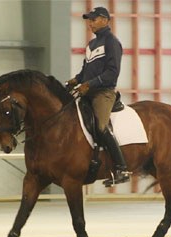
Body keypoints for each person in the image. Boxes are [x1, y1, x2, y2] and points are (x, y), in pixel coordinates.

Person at [66, 7, 130, 187]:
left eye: (93, 20)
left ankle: (121, 167)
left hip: (104, 93)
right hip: (87, 91)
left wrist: (89, 84)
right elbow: (85, 72)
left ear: (104, 20)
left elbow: (112, 72)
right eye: (88, 20)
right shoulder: (91, 45)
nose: (89, 23)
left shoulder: (112, 42)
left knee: (101, 127)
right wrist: (74, 80)